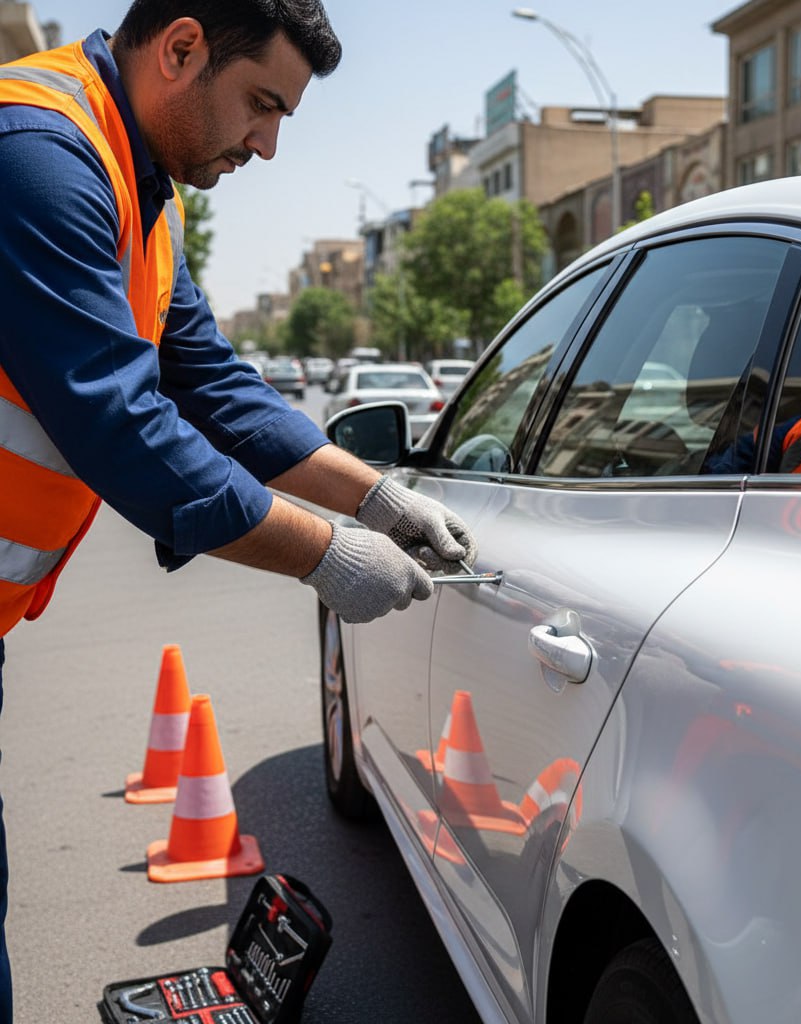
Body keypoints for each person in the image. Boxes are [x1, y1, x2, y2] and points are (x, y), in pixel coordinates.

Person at [0, 3, 477, 1018]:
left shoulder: (139, 187)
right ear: (180, 50)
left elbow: (211, 384)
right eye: (261, 105)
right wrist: (326, 557)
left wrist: (379, 497)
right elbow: (125, 426)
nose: (266, 144)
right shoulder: (39, 157)